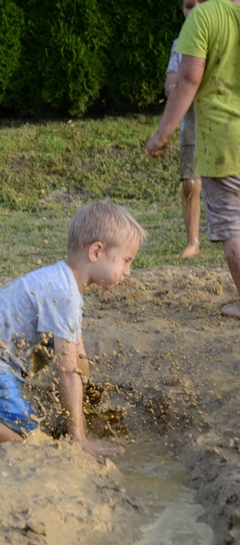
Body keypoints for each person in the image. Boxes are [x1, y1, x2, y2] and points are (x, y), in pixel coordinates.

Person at [0, 201, 147, 459]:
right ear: (96, 251)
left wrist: (91, 402)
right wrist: (79, 438)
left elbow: (77, 356)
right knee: (30, 438)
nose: (128, 272)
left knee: (25, 425)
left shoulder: (63, 284)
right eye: (126, 261)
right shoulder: (65, 294)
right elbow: (68, 371)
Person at [147, 0, 240, 319]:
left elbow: (187, 79)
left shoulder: (204, 17)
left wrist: (162, 134)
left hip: (223, 139)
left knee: (232, 225)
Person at [165, 0, 202, 258]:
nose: (195, 10)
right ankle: (193, 242)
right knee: (191, 183)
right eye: (189, 5)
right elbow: (170, 87)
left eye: (201, 3)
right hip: (192, 129)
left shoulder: (223, 37)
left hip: (224, 128)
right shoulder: (180, 45)